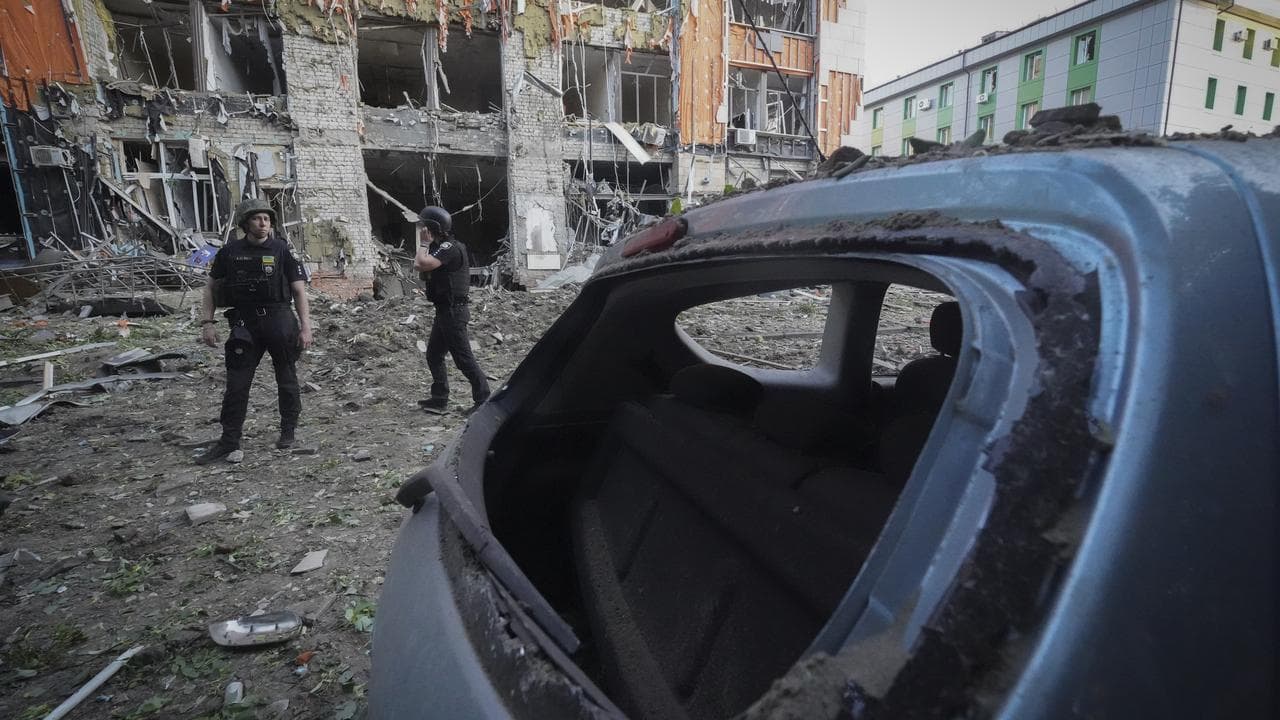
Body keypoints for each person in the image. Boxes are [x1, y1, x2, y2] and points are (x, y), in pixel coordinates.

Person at [196, 198, 313, 464]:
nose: (263, 224)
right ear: (246, 223)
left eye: (267, 219)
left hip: (279, 319)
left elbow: (299, 291)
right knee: (237, 384)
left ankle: (288, 431)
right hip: (245, 322)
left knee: (286, 378)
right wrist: (207, 323)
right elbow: (210, 287)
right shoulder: (229, 252)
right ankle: (229, 441)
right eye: (257, 219)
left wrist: (306, 327)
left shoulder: (281, 250)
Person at [414, 205, 489, 413]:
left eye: (424, 227)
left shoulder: (449, 248)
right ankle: (439, 399)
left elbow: (420, 264)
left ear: (431, 228)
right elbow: (422, 268)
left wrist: (423, 244)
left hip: (454, 312)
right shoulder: (441, 247)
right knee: (434, 355)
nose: (421, 230)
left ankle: (483, 401)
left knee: (464, 359)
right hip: (445, 311)